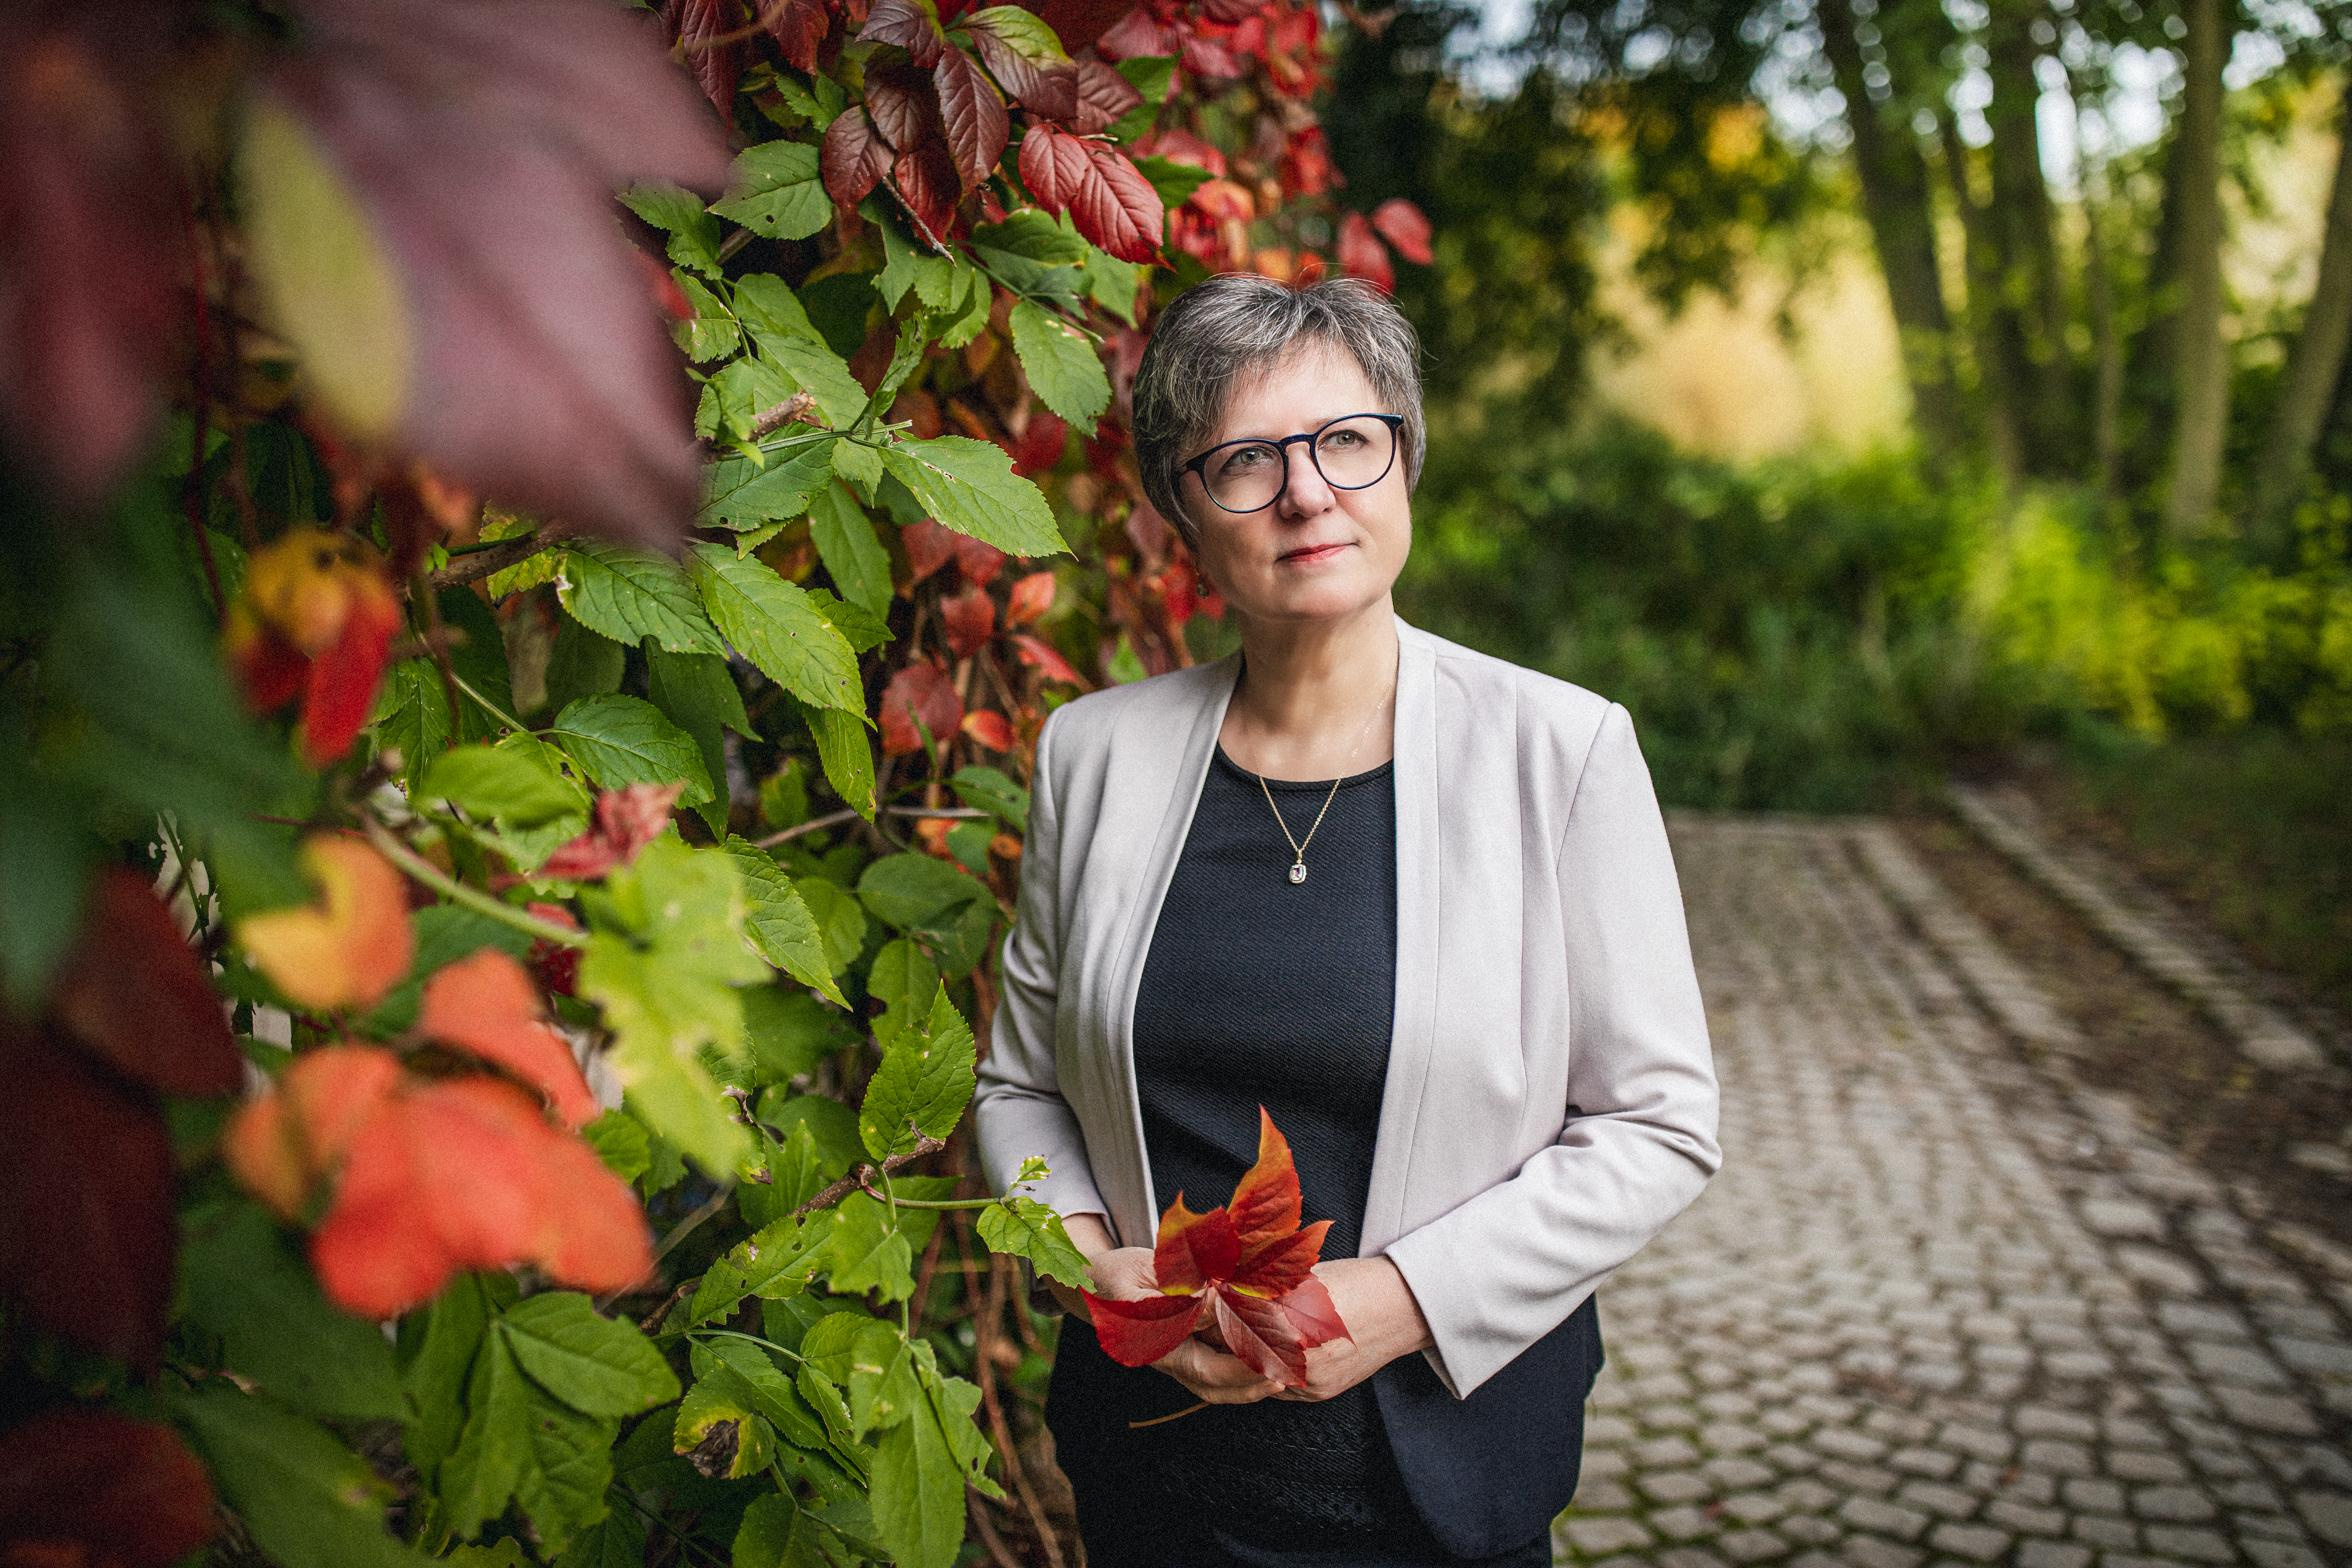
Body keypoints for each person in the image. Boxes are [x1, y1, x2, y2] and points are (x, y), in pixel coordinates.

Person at [970, 273, 1724, 1567]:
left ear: (1404, 461)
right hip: (1147, 1468)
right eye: (1246, 461)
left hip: (1436, 1488)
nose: (1307, 492)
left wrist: (1402, 1301)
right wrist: (1081, 1258)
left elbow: (1657, 1125)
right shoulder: (1093, 755)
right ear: (1181, 512)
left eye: (1346, 441)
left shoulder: (1561, 752)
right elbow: (1019, 1087)